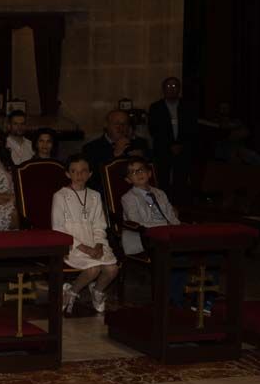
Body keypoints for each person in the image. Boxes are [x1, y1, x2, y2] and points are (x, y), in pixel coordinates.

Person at [120, 161, 217, 312]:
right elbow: (137, 222)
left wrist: (180, 229)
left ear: (149, 173)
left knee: (209, 252)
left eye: (141, 170)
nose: (139, 173)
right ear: (128, 180)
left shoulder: (160, 193)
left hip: (170, 233)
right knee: (178, 256)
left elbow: (171, 218)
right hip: (145, 237)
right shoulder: (128, 198)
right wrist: (166, 229)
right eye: (133, 172)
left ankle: (204, 299)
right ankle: (175, 300)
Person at [53, 154, 120, 314]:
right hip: (72, 244)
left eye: (83, 171)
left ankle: (97, 291)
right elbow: (59, 228)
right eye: (74, 171)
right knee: (93, 269)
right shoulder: (60, 196)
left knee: (112, 269)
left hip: (94, 242)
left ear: (90, 174)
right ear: (68, 174)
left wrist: (98, 244)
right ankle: (72, 291)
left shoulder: (95, 196)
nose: (79, 175)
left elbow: (99, 224)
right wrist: (85, 248)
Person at [147, 77, 197, 201]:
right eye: (169, 86)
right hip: (163, 149)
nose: (171, 89)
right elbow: (154, 130)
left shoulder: (188, 106)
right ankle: (164, 204)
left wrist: (180, 144)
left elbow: (192, 128)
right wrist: (170, 145)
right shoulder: (156, 107)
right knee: (163, 179)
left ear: (179, 89)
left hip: (183, 149)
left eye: (174, 86)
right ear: (163, 89)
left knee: (181, 179)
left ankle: (181, 205)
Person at [82, 109, 149, 195]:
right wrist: (115, 154)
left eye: (124, 124)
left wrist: (143, 159)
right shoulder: (91, 148)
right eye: (116, 123)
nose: (121, 127)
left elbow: (152, 171)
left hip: (138, 194)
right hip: (108, 195)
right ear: (106, 125)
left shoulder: (139, 143)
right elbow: (92, 180)